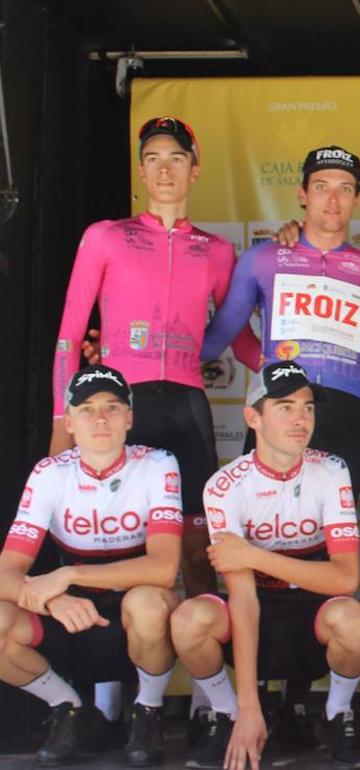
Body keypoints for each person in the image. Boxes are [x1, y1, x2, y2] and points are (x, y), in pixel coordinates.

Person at [51, 116, 260, 605]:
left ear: (195, 170)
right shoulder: (105, 236)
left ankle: (210, 679)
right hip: (121, 409)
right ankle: (113, 681)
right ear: (141, 173)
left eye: (176, 158)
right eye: (153, 159)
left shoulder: (216, 250)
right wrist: (61, 419)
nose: (165, 169)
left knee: (198, 553)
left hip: (187, 409)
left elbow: (239, 340)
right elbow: (68, 336)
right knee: (114, 549)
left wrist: (293, 372)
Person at [169, 362, 360, 770]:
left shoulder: (331, 470)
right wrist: (247, 706)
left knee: (353, 620)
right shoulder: (225, 485)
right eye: (285, 407)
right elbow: (242, 600)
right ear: (252, 417)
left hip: (312, 610)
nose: (301, 419)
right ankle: (227, 715)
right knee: (190, 618)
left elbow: (346, 578)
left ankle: (336, 715)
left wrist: (255, 556)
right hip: (255, 609)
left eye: (308, 407)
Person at [0, 365, 182, 767]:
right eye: (87, 409)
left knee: (150, 602)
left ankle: (148, 711)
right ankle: (69, 709)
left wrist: (68, 575)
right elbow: (5, 573)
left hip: (134, 614)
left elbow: (164, 568)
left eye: (113, 407)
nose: (100, 418)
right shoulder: (50, 473)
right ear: (70, 422)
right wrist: (52, 602)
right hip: (75, 616)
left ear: (129, 418)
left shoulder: (157, 463)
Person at [201, 145, 360, 497]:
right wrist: (263, 357)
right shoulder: (264, 258)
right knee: (262, 524)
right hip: (277, 404)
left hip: (343, 412)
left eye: (345, 189)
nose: (333, 199)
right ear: (302, 194)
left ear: (356, 200)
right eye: (321, 186)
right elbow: (216, 338)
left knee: (332, 535)